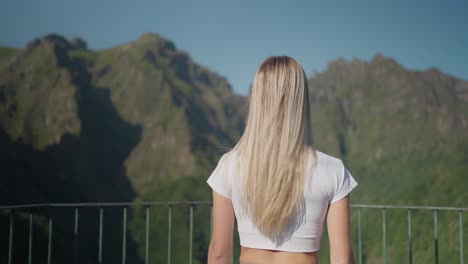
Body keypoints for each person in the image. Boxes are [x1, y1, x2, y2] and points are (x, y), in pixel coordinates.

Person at [207, 56, 358, 264]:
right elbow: (342, 258)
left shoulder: (229, 165)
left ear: (258, 98)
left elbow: (219, 252)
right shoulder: (333, 170)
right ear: (301, 99)